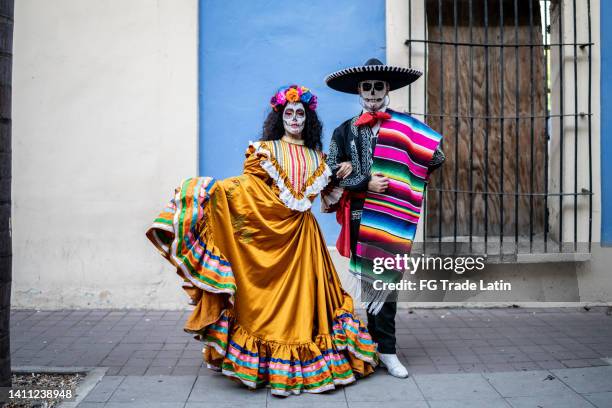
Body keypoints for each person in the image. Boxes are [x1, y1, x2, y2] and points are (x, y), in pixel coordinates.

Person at [146, 84, 377, 396]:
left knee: (308, 305)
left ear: (308, 120)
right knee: (261, 302)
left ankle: (301, 364)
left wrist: (349, 173)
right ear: (280, 117)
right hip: (271, 237)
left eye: (301, 114)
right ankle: (268, 366)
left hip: (304, 243)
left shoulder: (319, 159)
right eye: (289, 113)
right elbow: (250, 190)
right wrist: (214, 193)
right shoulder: (264, 152)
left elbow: (332, 197)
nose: (295, 118)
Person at [323, 59, 445, 378]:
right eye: (367, 87)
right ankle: (374, 349)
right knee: (369, 287)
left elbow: (436, 157)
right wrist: (365, 181)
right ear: (359, 91)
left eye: (379, 86)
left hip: (391, 218)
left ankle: (388, 352)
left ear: (387, 89)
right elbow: (331, 172)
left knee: (387, 287)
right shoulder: (345, 130)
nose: (373, 92)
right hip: (361, 217)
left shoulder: (406, 127)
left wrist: (407, 176)